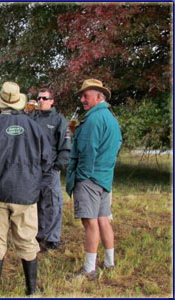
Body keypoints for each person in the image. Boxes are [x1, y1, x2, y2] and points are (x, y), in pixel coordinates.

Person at [0, 81, 51, 295]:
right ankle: (31, 289)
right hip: (26, 194)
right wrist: (34, 186)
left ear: (1, 102)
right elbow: (47, 162)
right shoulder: (36, 128)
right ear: (19, 102)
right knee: (27, 240)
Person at [66, 79, 122, 279]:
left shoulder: (93, 119)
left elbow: (88, 151)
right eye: (82, 96)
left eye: (86, 96)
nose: (82, 99)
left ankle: (89, 269)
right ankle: (109, 263)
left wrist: (81, 176)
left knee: (90, 223)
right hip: (105, 178)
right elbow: (117, 144)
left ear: (99, 96)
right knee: (103, 219)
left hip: (89, 179)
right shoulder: (110, 118)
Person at [27, 88, 72, 251]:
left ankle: (52, 238)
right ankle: (38, 234)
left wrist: (58, 165)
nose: (41, 101)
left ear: (52, 101)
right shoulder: (31, 118)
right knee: (35, 203)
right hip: (32, 169)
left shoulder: (59, 120)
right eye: (39, 98)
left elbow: (65, 146)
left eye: (45, 98)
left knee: (52, 203)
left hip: (50, 169)